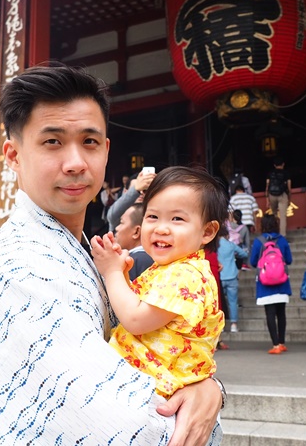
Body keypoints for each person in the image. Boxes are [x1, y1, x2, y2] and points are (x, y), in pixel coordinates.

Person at [0, 62, 223, 445]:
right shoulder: (13, 269)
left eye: (89, 142)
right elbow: (130, 427)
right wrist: (206, 397)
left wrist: (209, 388)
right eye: (52, 141)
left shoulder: (76, 250)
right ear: (12, 155)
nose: (76, 162)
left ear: (106, 151)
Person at [91, 166, 226, 398]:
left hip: (155, 392)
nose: (161, 228)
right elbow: (136, 305)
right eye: (152, 216)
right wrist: (123, 273)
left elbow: (135, 319)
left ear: (207, 231)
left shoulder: (185, 275)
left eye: (177, 219)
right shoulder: (168, 268)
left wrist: (112, 273)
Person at [250, 214, 293, 354]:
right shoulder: (282, 240)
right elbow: (289, 259)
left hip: (265, 283)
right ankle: (282, 342)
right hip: (282, 281)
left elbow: (252, 262)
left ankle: (275, 345)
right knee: (281, 313)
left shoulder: (258, 242)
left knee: (270, 313)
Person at [113, 202, 154, 281]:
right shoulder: (156, 259)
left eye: (121, 222)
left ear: (137, 232)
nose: (117, 228)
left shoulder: (130, 262)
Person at [217, 235, 248, 333]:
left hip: (220, 276)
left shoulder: (215, 246)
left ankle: (219, 326)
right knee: (233, 302)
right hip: (232, 275)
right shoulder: (231, 245)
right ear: (226, 235)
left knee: (219, 303)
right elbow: (244, 254)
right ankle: (233, 325)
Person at [266, 158, 292, 236]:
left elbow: (267, 187)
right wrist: (289, 198)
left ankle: (274, 234)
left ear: (274, 165)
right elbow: (289, 187)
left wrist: (267, 199)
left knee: (274, 215)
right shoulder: (286, 173)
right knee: (283, 216)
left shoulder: (270, 173)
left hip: (272, 195)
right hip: (282, 195)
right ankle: (282, 236)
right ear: (283, 164)